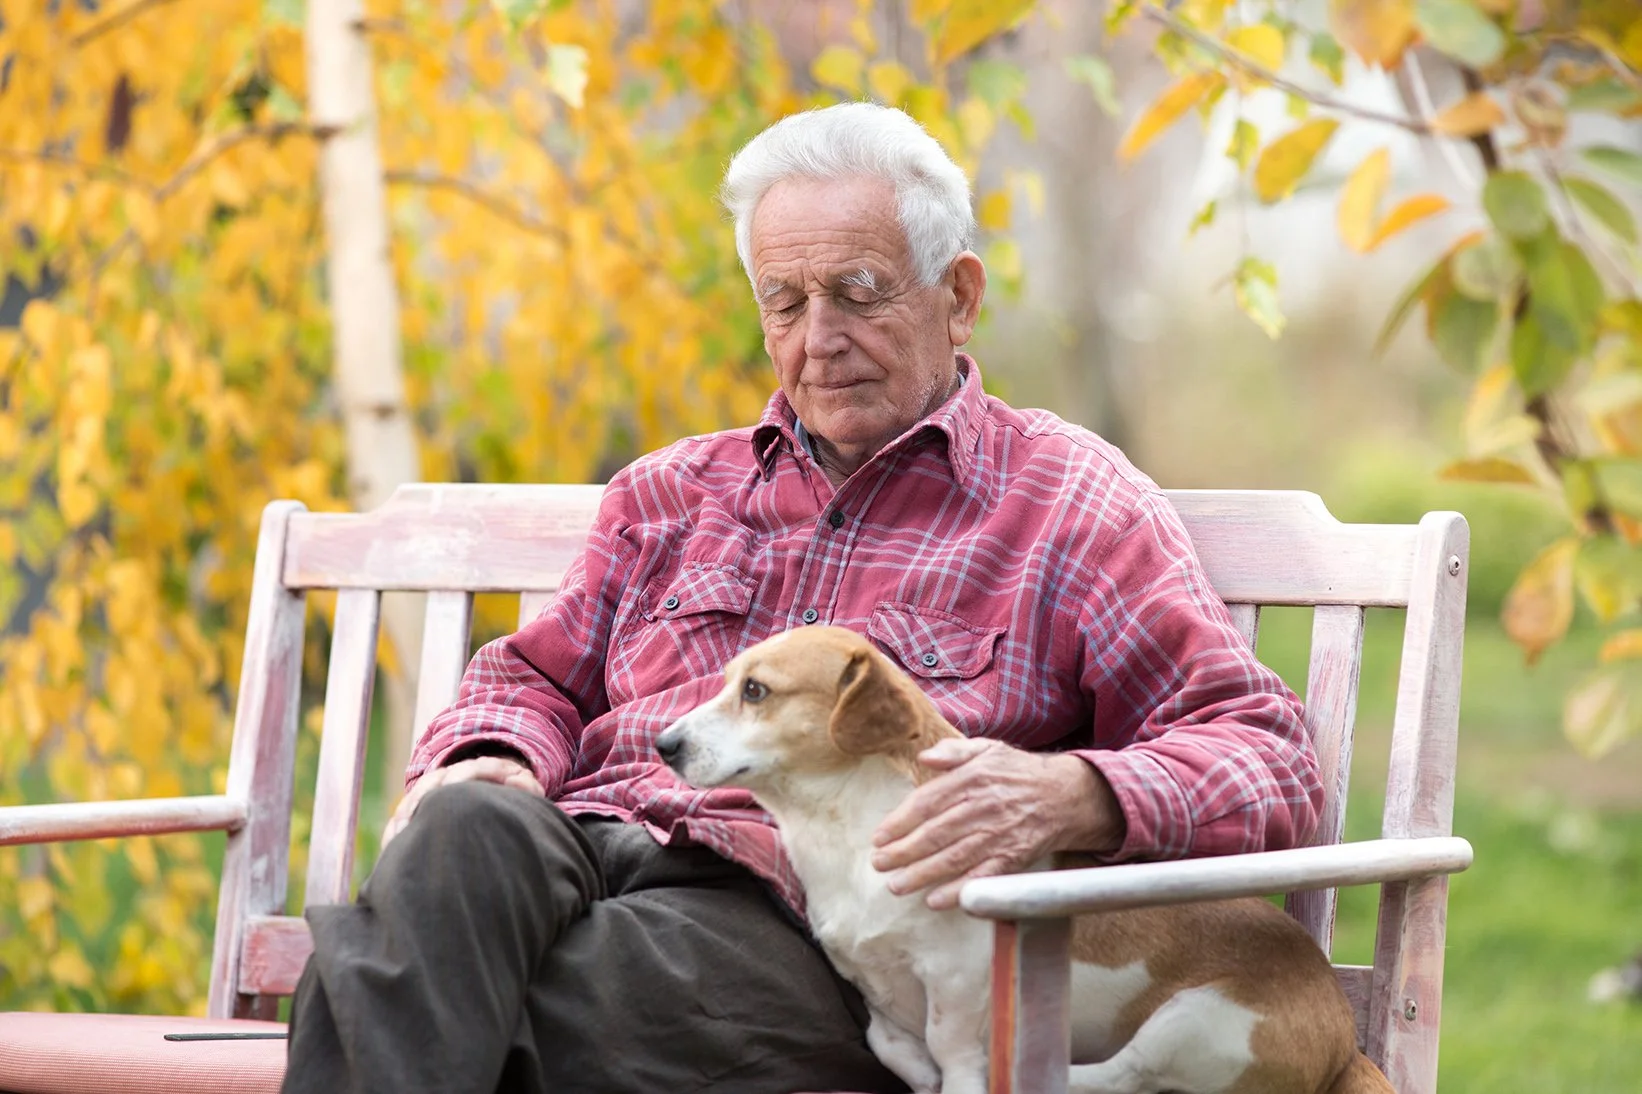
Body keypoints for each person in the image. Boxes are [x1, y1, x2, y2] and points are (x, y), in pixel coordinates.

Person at [281, 102, 1320, 1094]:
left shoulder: (1066, 505)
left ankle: (383, 990)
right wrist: (492, 753)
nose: (817, 335)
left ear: (957, 295)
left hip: (798, 914)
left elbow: (1266, 755)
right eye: (784, 299)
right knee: (463, 829)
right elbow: (536, 676)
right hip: (580, 840)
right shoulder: (669, 491)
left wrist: (1077, 793)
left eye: (858, 290)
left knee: (406, 982)